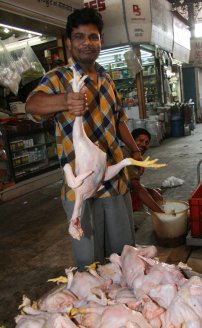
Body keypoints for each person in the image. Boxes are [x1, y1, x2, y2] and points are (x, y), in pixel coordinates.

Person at [25, 8, 143, 271]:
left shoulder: (106, 78)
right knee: (89, 265)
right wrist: (65, 100)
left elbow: (119, 119)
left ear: (101, 40)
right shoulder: (58, 77)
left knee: (124, 259)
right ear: (69, 42)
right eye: (79, 37)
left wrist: (135, 152)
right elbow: (31, 105)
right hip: (81, 190)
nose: (86, 43)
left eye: (93, 37)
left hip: (115, 183)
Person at [122, 128, 164, 213]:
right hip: (115, 197)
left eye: (146, 143)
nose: (143, 144)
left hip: (125, 190)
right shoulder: (125, 154)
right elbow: (136, 187)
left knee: (155, 192)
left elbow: (130, 182)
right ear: (131, 141)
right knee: (144, 194)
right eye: (140, 140)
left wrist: (151, 191)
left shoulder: (136, 156)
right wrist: (161, 213)